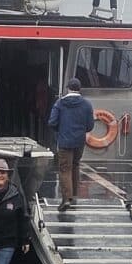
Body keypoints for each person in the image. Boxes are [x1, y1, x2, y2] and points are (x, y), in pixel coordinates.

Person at [48, 77, 94, 211]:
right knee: (75, 165)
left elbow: (52, 122)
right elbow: (90, 126)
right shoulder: (86, 104)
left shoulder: (60, 103)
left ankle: (66, 199)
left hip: (64, 141)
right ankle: (74, 195)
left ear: (68, 88)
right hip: (79, 141)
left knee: (64, 169)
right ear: (79, 89)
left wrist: (60, 130)